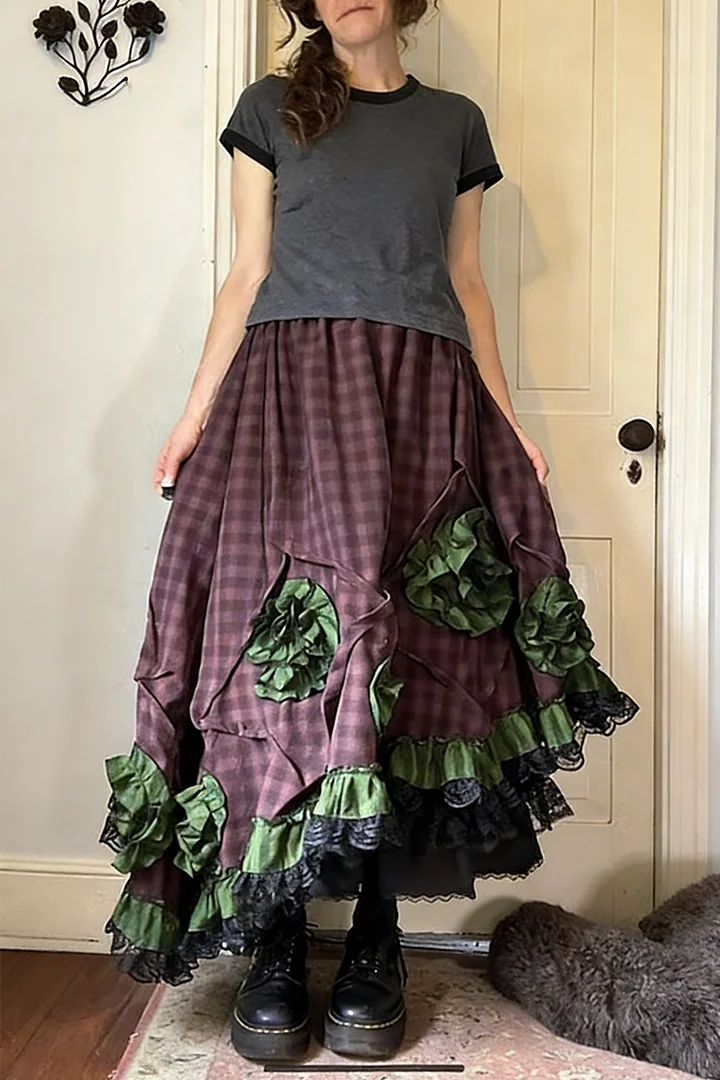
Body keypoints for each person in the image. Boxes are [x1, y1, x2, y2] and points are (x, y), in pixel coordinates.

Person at [98, 0, 640, 1065]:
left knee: (411, 659)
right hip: (289, 402)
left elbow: (468, 284)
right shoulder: (269, 108)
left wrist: (507, 421)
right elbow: (248, 272)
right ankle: (275, 932)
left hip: (420, 404)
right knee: (274, 666)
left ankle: (377, 935)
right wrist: (193, 415)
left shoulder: (455, 122)